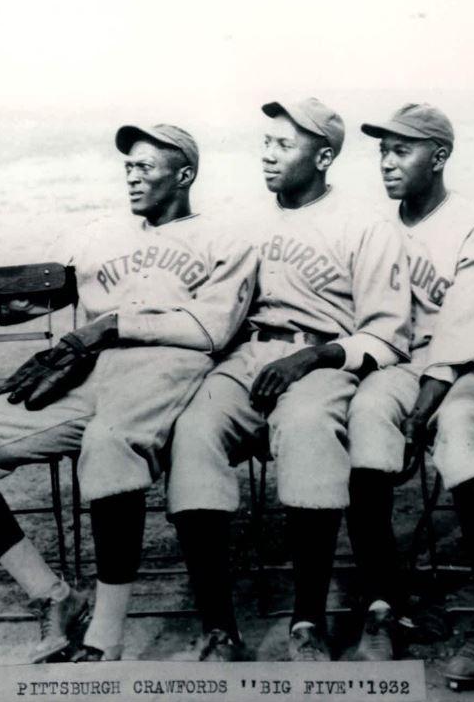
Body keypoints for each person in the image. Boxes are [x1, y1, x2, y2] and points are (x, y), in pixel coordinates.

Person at [0, 123, 257, 663]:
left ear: (185, 174)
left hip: (167, 368)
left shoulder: (227, 238)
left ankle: (107, 632)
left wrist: (110, 325)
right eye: (128, 167)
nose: (133, 176)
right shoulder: (99, 232)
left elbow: (212, 329)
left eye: (146, 167)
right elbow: (38, 297)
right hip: (85, 369)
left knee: (110, 441)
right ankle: (53, 595)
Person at [167, 97, 412, 661]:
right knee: (194, 431)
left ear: (324, 156)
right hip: (249, 356)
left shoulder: (365, 226)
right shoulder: (244, 221)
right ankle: (220, 628)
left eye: (284, 145)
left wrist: (311, 359)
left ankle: (307, 622)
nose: (268, 155)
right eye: (267, 143)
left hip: (320, 361)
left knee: (306, 429)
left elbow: (387, 335)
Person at [342, 104, 474, 681]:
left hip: (472, 365)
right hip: (407, 363)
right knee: (366, 411)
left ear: (438, 156)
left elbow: (467, 331)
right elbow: (377, 327)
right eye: (382, 152)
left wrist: (420, 414)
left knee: (462, 429)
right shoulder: (377, 227)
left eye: (401, 150)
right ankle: (383, 606)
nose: (387, 163)